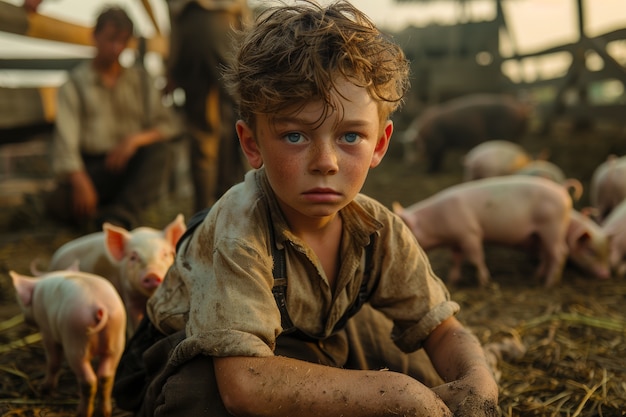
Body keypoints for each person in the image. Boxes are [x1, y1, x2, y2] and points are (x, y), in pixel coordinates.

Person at [125, 1, 499, 415]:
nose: (326, 162)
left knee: (418, 367)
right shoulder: (240, 226)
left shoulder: (379, 230)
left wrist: (479, 381)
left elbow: (441, 328)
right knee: (205, 399)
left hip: (310, 339)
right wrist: (395, 395)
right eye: (295, 137)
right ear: (252, 144)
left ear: (380, 143)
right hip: (211, 352)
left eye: (350, 137)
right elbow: (243, 384)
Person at [46, 6, 181, 230]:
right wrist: (80, 181)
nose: (116, 48)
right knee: (57, 202)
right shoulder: (75, 84)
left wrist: (134, 141)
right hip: (93, 169)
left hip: (129, 166)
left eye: (122, 41)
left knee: (161, 152)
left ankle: (118, 219)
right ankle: (98, 216)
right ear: (95, 36)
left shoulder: (140, 80)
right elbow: (65, 144)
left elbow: (169, 124)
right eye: (110, 40)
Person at [165, 0, 251, 212]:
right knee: (244, 115)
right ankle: (240, 202)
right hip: (224, 23)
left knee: (202, 127)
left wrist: (173, 65)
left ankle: (203, 213)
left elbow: (173, 20)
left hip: (190, 28)